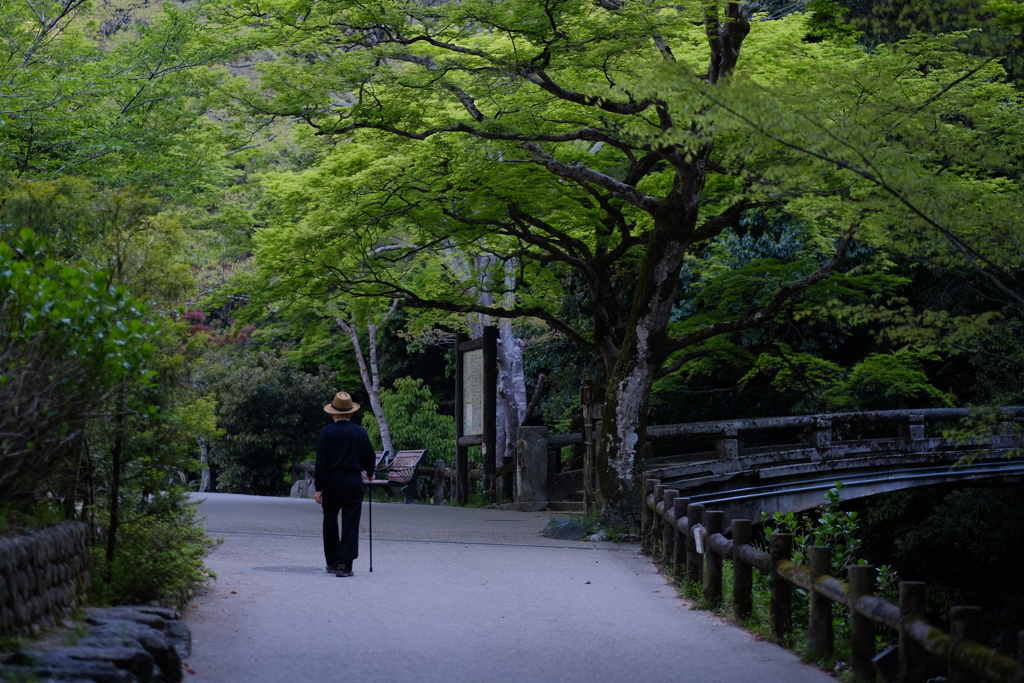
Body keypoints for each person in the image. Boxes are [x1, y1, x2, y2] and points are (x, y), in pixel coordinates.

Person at [312, 391, 377, 577]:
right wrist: (370, 473)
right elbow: (369, 456)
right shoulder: (360, 432)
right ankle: (345, 565)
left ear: (333, 414)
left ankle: (332, 561)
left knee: (330, 520)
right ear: (351, 413)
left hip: (331, 481)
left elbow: (321, 462)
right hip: (353, 481)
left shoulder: (326, 432)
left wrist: (318, 488)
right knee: (351, 521)